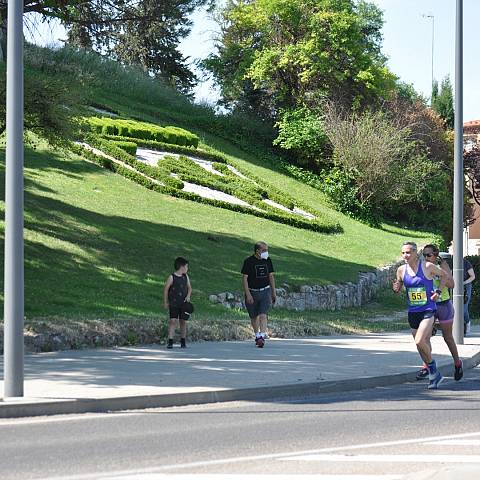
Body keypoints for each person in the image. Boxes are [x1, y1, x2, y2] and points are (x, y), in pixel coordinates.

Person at [393, 241, 451, 389]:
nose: (405, 255)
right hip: (413, 312)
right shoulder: (401, 270)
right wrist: (396, 288)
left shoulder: (427, 266)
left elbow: (445, 276)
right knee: (421, 347)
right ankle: (434, 375)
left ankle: (432, 369)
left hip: (428, 310)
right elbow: (398, 284)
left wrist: (438, 291)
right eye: (403, 253)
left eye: (408, 252)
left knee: (420, 341)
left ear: (415, 253)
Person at [414, 244, 463, 381]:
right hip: (429, 305)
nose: (426, 258)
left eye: (429, 255)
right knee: (425, 337)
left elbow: (452, 285)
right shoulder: (424, 266)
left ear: (436, 255)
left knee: (447, 338)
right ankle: (426, 366)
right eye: (424, 255)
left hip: (443, 305)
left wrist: (439, 277)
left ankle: (458, 363)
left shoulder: (443, 266)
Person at [241, 241, 276, 348]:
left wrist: (273, 292)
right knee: (253, 316)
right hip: (252, 291)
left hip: (265, 291)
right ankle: (257, 335)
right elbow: (245, 278)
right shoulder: (248, 261)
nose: (266, 252)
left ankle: (262, 336)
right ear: (257, 251)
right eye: (264, 250)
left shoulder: (267, 260)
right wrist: (248, 294)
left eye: (267, 250)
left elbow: (271, 276)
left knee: (263, 315)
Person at [163, 257, 192, 349]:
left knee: (183, 321)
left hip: (183, 303)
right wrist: (165, 302)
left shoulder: (185, 277)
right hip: (174, 303)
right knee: (173, 321)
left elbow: (190, 288)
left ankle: (183, 341)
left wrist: (188, 296)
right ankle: (170, 341)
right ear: (181, 267)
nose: (187, 268)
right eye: (187, 266)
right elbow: (166, 289)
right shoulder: (172, 277)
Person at [463, 257, 475, 335]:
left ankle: (467, 323)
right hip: (454, 286)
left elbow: (472, 276)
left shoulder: (466, 263)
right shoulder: (451, 263)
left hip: (466, 287)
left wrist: (464, 282)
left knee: (464, 307)